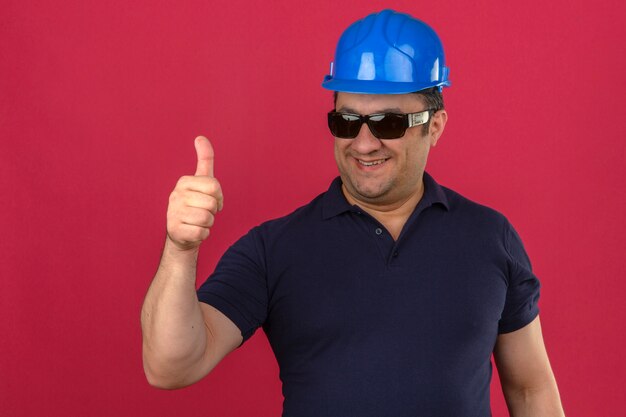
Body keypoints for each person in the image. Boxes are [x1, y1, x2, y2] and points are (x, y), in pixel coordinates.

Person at [141, 9, 564, 416]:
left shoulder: (490, 237)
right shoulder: (274, 250)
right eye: (347, 121)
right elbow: (170, 366)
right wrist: (180, 250)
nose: (363, 143)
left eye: (388, 123)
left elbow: (530, 388)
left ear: (434, 126)